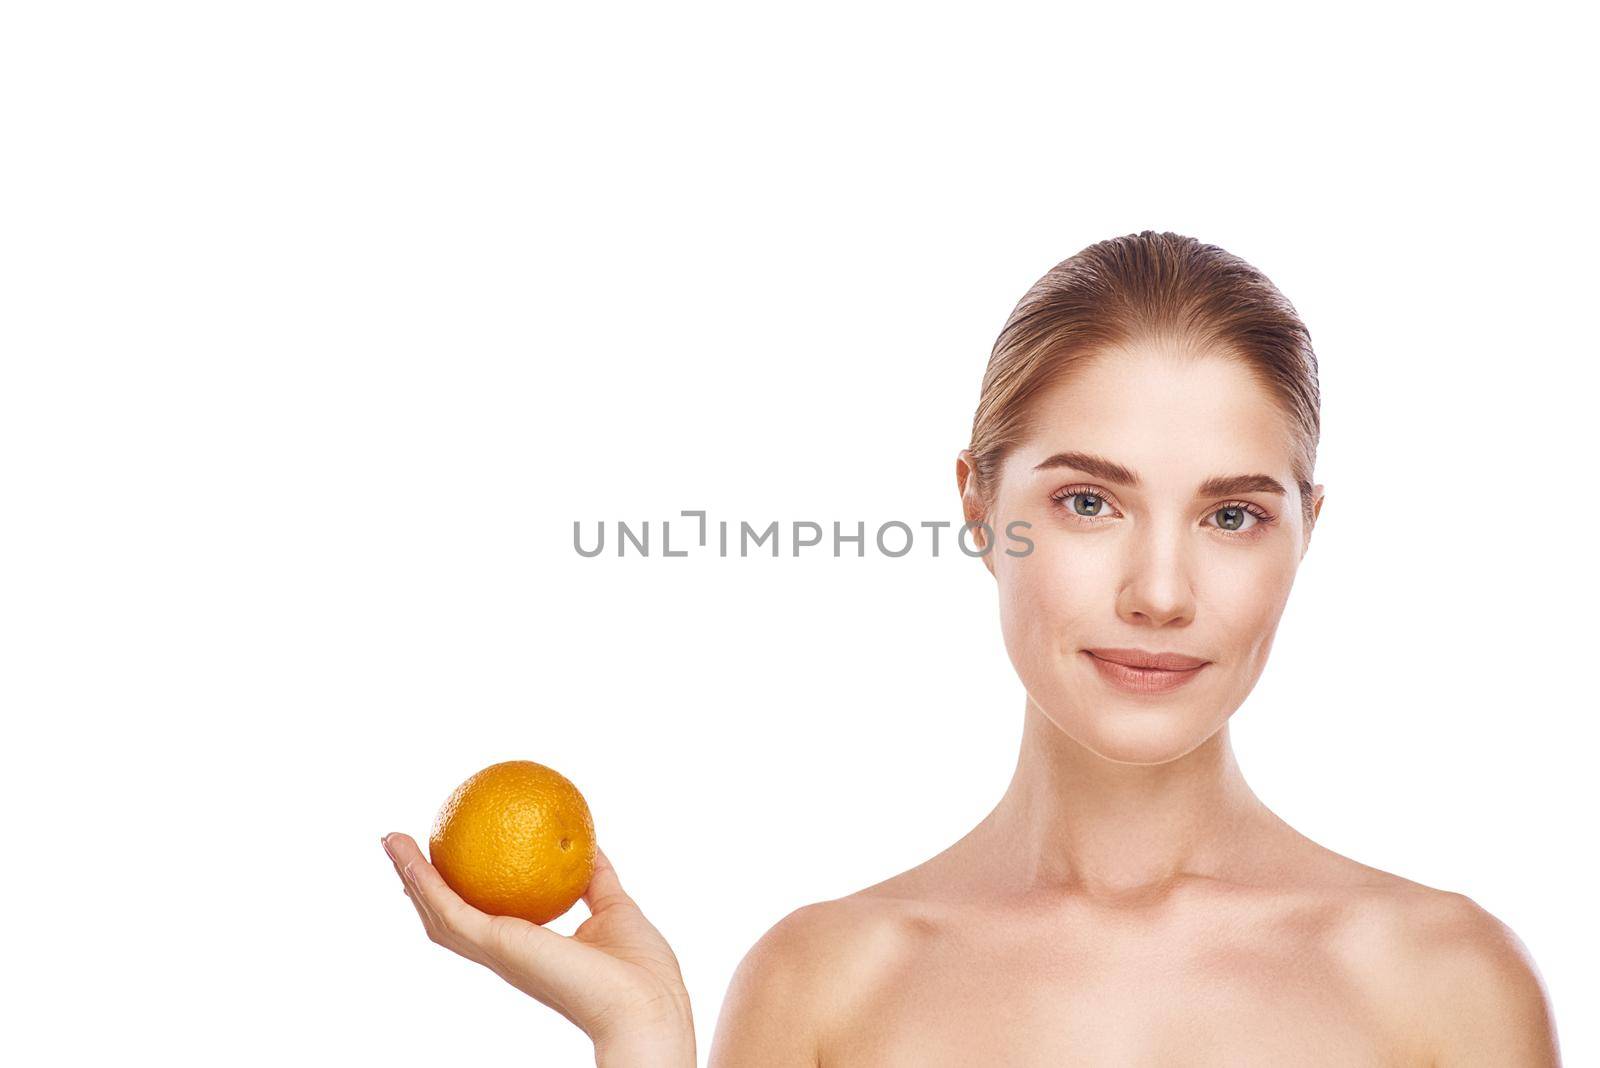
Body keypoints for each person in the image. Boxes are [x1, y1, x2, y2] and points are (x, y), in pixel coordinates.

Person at [381, 231, 1561, 1066]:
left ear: (1308, 533)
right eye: (1089, 504)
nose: (1159, 592)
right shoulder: (822, 984)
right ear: (978, 505)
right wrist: (641, 1047)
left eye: (1232, 514)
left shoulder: (1448, 985)